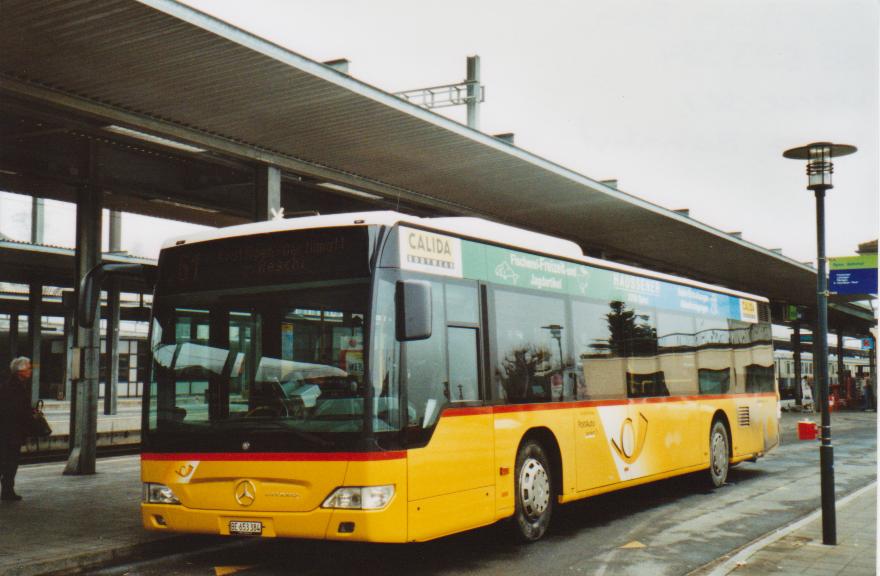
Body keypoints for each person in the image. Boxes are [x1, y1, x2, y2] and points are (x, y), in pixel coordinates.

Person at [0, 357, 33, 501]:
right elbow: (16, 409)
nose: (30, 371)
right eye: (28, 368)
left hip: (8, 430)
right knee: (10, 462)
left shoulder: (11, 385)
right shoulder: (15, 387)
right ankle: (7, 490)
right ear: (20, 371)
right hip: (11, 431)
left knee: (6, 461)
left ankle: (7, 490)